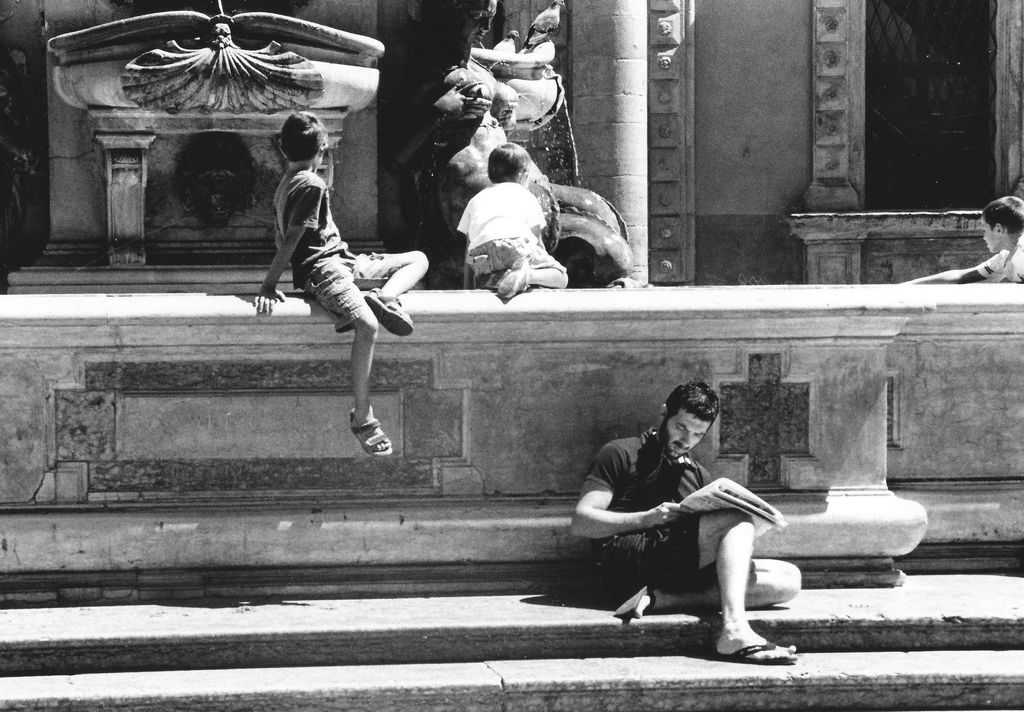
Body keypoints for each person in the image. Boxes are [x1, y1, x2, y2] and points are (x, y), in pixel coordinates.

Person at [571, 381, 802, 665]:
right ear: (664, 413)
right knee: (736, 519)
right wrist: (647, 518)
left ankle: (660, 599)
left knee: (788, 580)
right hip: (625, 559)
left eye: (697, 434)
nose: (686, 440)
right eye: (681, 427)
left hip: (671, 566)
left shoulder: (696, 474)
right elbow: (582, 521)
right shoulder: (621, 452)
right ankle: (734, 629)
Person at [255, 111, 429, 456]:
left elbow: (284, 237)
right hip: (325, 271)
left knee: (416, 258)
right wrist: (269, 284)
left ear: (280, 148)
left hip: (344, 264)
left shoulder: (287, 183)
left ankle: (385, 297)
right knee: (366, 327)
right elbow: (292, 239)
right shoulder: (312, 185)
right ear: (322, 151)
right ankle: (363, 416)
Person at [456, 142, 568, 299]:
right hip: (516, 247)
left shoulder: (475, 199)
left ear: (490, 175)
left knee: (497, 268)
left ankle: (503, 278)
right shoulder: (527, 196)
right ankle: (527, 276)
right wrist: (542, 263)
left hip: (483, 256)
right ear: (523, 175)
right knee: (561, 276)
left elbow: (469, 245)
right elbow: (537, 241)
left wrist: (467, 288)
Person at [904, 196, 1024, 284]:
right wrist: (906, 286)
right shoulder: (1004, 258)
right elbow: (960, 276)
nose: (984, 237)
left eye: (985, 229)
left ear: (998, 229)